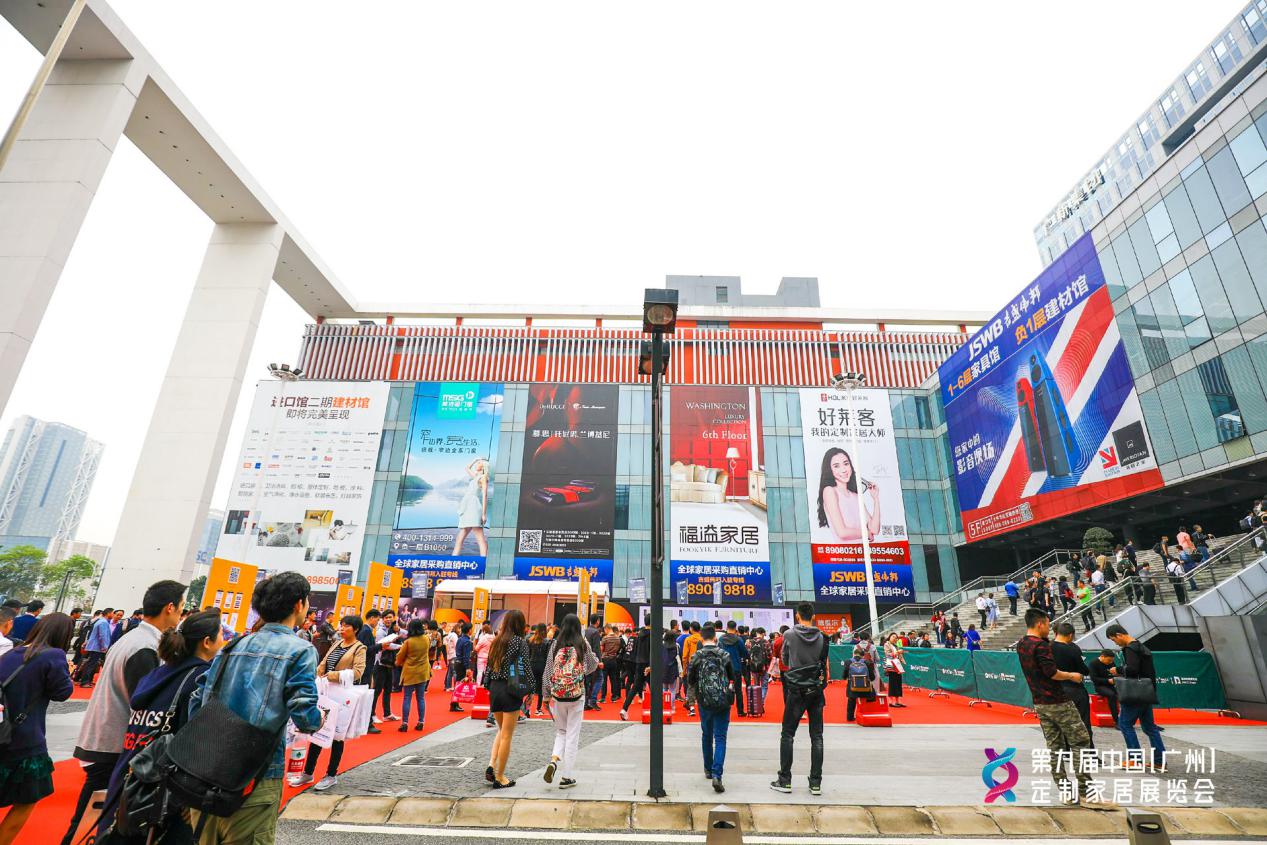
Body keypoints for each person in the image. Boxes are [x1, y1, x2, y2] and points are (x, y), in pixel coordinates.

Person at [189, 571, 322, 844]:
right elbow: (305, 716)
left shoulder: (232, 646)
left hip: (207, 768)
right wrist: (321, 718)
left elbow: (197, 700)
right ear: (299, 604)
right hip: (255, 775)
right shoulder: (300, 650)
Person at [63, 581, 185, 845]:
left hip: (105, 738)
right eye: (181, 607)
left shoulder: (136, 639)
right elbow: (142, 704)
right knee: (93, 822)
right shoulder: (145, 647)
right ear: (170, 607)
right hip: (113, 744)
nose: (181, 614)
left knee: (92, 818)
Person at [96, 609, 225, 845]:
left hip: (130, 774)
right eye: (221, 635)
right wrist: (193, 794)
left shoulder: (156, 673)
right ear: (207, 642)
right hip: (165, 788)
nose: (224, 641)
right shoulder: (201, 678)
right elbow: (195, 739)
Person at [1016, 609, 1111, 809]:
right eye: (1047, 624)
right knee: (1081, 741)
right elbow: (1051, 672)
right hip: (1058, 701)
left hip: (1040, 703)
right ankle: (1086, 792)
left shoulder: (1022, 643)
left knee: (1055, 747)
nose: (1049, 627)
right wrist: (1071, 676)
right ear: (1040, 624)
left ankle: (1066, 791)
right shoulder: (1041, 646)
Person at [0, 612, 74, 845]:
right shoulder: (54, 655)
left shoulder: (12, 652)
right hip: (26, 740)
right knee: (27, 799)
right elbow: (62, 692)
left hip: (3, 731)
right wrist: (69, 672)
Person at [291, 614, 367, 791]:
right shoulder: (337, 643)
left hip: (342, 696)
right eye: (341, 625)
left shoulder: (359, 648)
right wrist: (317, 674)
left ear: (355, 629)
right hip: (326, 692)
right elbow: (324, 662)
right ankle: (308, 772)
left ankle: (331, 774)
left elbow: (358, 672)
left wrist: (332, 676)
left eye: (346, 626)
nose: (342, 628)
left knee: (337, 736)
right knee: (317, 731)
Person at [771, 602, 829, 796]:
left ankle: (785, 780)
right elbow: (823, 664)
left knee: (787, 734)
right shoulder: (823, 637)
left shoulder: (788, 635)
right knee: (817, 737)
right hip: (816, 690)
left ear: (797, 616)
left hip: (796, 689)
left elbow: (784, 660)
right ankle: (815, 783)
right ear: (813, 616)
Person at [540, 613, 598, 790]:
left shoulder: (556, 644)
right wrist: (581, 671)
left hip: (558, 695)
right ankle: (566, 776)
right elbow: (592, 664)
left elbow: (548, 671)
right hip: (576, 694)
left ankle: (553, 760)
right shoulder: (582, 643)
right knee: (573, 734)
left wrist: (546, 696)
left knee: (561, 732)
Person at [1105, 623, 1166, 771]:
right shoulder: (1141, 646)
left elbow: (1132, 669)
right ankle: (1159, 761)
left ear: (1119, 635)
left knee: (1125, 724)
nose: (1115, 643)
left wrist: (1118, 669)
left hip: (1134, 693)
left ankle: (1135, 759)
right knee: (1150, 728)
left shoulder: (1130, 649)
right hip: (1147, 692)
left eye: (1114, 639)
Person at [483, 609, 532, 788]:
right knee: (507, 736)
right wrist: (531, 690)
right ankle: (500, 777)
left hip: (495, 689)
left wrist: (488, 686)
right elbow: (525, 667)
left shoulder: (497, 640)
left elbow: (489, 667)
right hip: (511, 689)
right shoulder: (520, 642)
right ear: (520, 624)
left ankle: (491, 764)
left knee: (502, 729)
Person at [687, 624, 736, 793]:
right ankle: (717, 774)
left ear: (701, 639)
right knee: (720, 737)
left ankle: (708, 769)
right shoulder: (724, 655)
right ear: (715, 638)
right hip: (722, 701)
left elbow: (690, 679)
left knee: (706, 735)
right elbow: (732, 677)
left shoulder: (697, 656)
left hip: (704, 701)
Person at [816, 447, 881, 541]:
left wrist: (875, 498)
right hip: (844, 550)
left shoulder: (855, 496)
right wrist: (866, 533)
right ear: (829, 470)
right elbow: (842, 532)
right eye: (836, 466)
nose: (843, 470)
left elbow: (874, 529)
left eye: (846, 464)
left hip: (864, 549)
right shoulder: (830, 491)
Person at [1050, 622, 1094, 748]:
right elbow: (1083, 670)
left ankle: (1065, 751)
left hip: (1055, 690)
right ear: (1070, 635)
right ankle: (1089, 751)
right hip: (1074, 689)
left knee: (1061, 723)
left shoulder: (1047, 647)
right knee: (1083, 722)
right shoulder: (1072, 649)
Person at [395, 618, 432, 731]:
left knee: (407, 697)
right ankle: (421, 721)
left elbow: (400, 657)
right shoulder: (426, 639)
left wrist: (398, 662)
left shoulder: (408, 642)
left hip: (410, 672)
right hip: (423, 671)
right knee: (421, 698)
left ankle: (405, 723)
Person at [453, 458, 490, 557]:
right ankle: (453, 560)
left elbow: (485, 495)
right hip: (468, 506)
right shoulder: (476, 477)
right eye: (477, 463)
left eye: (479, 463)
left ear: (483, 466)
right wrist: (475, 459)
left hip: (474, 507)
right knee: (460, 538)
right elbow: (467, 468)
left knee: (480, 538)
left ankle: (483, 562)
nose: (477, 464)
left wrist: (484, 514)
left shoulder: (483, 478)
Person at [619, 623, 652, 721]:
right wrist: (650, 665)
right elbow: (652, 651)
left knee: (635, 687)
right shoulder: (653, 635)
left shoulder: (639, 635)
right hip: (648, 665)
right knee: (654, 688)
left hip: (639, 663)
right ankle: (658, 711)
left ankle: (624, 709)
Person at [718, 620, 749, 717]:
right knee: (738, 690)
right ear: (735, 628)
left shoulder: (721, 639)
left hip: (724, 667)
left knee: (723, 689)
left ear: (727, 627)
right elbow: (744, 653)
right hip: (736, 667)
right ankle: (740, 711)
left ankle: (723, 710)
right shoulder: (738, 640)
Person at [844, 644, 876, 721]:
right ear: (863, 655)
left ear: (854, 654)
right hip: (865, 687)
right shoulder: (867, 662)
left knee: (851, 700)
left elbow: (844, 675)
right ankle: (865, 715)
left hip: (852, 686)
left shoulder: (848, 661)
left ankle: (850, 717)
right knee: (869, 697)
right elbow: (872, 677)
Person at [1088, 648, 1120, 724]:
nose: (1110, 662)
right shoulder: (1093, 663)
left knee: (1123, 694)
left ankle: (1125, 719)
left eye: (1112, 661)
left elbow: (1115, 673)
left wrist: (1117, 674)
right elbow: (1094, 679)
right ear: (1102, 656)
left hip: (1111, 685)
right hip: (1099, 686)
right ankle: (1116, 720)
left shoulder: (1111, 663)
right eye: (1109, 660)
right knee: (1112, 695)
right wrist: (1108, 680)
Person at [526, 623, 551, 716]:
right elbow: (548, 656)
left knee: (531, 688)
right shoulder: (547, 642)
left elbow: (528, 655)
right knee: (540, 689)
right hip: (542, 666)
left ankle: (527, 709)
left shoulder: (530, 640)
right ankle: (538, 709)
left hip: (532, 665)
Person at [747, 628, 771, 717]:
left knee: (756, 686)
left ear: (756, 633)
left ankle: (757, 704)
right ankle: (761, 703)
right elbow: (769, 655)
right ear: (763, 633)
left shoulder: (749, 642)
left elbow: (747, 654)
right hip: (764, 667)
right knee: (764, 686)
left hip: (754, 667)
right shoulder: (766, 642)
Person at [450, 622, 473, 712]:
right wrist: (467, 667)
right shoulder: (467, 641)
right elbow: (466, 656)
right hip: (462, 664)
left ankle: (454, 704)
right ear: (469, 630)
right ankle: (454, 704)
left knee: (458, 684)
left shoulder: (460, 639)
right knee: (459, 685)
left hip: (457, 662)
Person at [601, 624, 626, 705]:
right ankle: (614, 697)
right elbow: (618, 649)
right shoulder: (617, 638)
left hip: (605, 659)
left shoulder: (605, 638)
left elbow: (601, 649)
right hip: (614, 660)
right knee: (613, 679)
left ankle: (603, 697)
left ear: (607, 629)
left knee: (604, 679)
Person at [584, 614, 604, 711]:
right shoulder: (595, 632)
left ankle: (586, 703)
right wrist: (599, 661)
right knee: (599, 679)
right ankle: (592, 700)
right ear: (598, 621)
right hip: (594, 660)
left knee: (588, 681)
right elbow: (596, 648)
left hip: (586, 659)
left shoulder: (586, 630)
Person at [883, 633, 906, 707]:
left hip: (898, 665)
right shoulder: (886, 644)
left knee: (898, 683)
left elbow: (899, 655)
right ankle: (891, 701)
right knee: (892, 683)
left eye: (896, 638)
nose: (894, 638)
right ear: (889, 637)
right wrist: (897, 652)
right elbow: (888, 654)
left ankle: (897, 701)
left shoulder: (896, 646)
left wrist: (901, 655)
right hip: (891, 666)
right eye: (893, 636)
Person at [443, 622, 460, 691]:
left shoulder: (449, 635)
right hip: (454, 654)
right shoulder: (455, 635)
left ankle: (448, 686)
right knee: (455, 672)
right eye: (459, 628)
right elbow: (457, 645)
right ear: (457, 628)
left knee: (450, 672)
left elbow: (446, 643)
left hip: (450, 654)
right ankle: (456, 687)